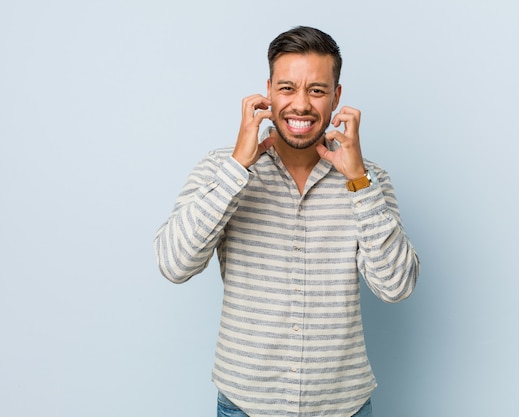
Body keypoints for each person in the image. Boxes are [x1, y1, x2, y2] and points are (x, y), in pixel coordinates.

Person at [154, 26, 419, 417]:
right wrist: (237, 168)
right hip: (245, 405)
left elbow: (396, 286)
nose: (301, 104)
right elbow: (174, 264)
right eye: (287, 88)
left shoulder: (367, 178)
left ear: (336, 97)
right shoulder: (218, 168)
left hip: (342, 406)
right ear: (268, 91)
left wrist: (359, 182)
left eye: (316, 90)